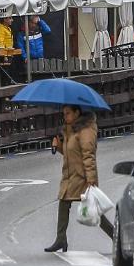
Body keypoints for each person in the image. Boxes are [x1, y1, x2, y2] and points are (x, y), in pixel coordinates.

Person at [45, 104, 113, 252]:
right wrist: (58, 146)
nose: (65, 116)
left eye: (68, 113)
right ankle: (61, 239)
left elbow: (88, 157)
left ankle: (116, 237)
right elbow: (70, 154)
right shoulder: (70, 130)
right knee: (63, 203)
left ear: (77, 113)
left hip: (82, 178)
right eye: (64, 113)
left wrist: (91, 181)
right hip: (70, 177)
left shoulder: (86, 130)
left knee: (94, 211)